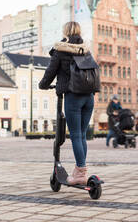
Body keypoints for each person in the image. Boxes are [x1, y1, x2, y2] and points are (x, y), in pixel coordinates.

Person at [39, 21, 94, 185]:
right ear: (79, 31)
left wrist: (43, 85)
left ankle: (80, 173)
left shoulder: (61, 49)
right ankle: (81, 170)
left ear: (66, 32)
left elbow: (51, 71)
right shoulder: (86, 49)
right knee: (82, 135)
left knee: (76, 135)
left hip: (73, 96)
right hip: (89, 96)